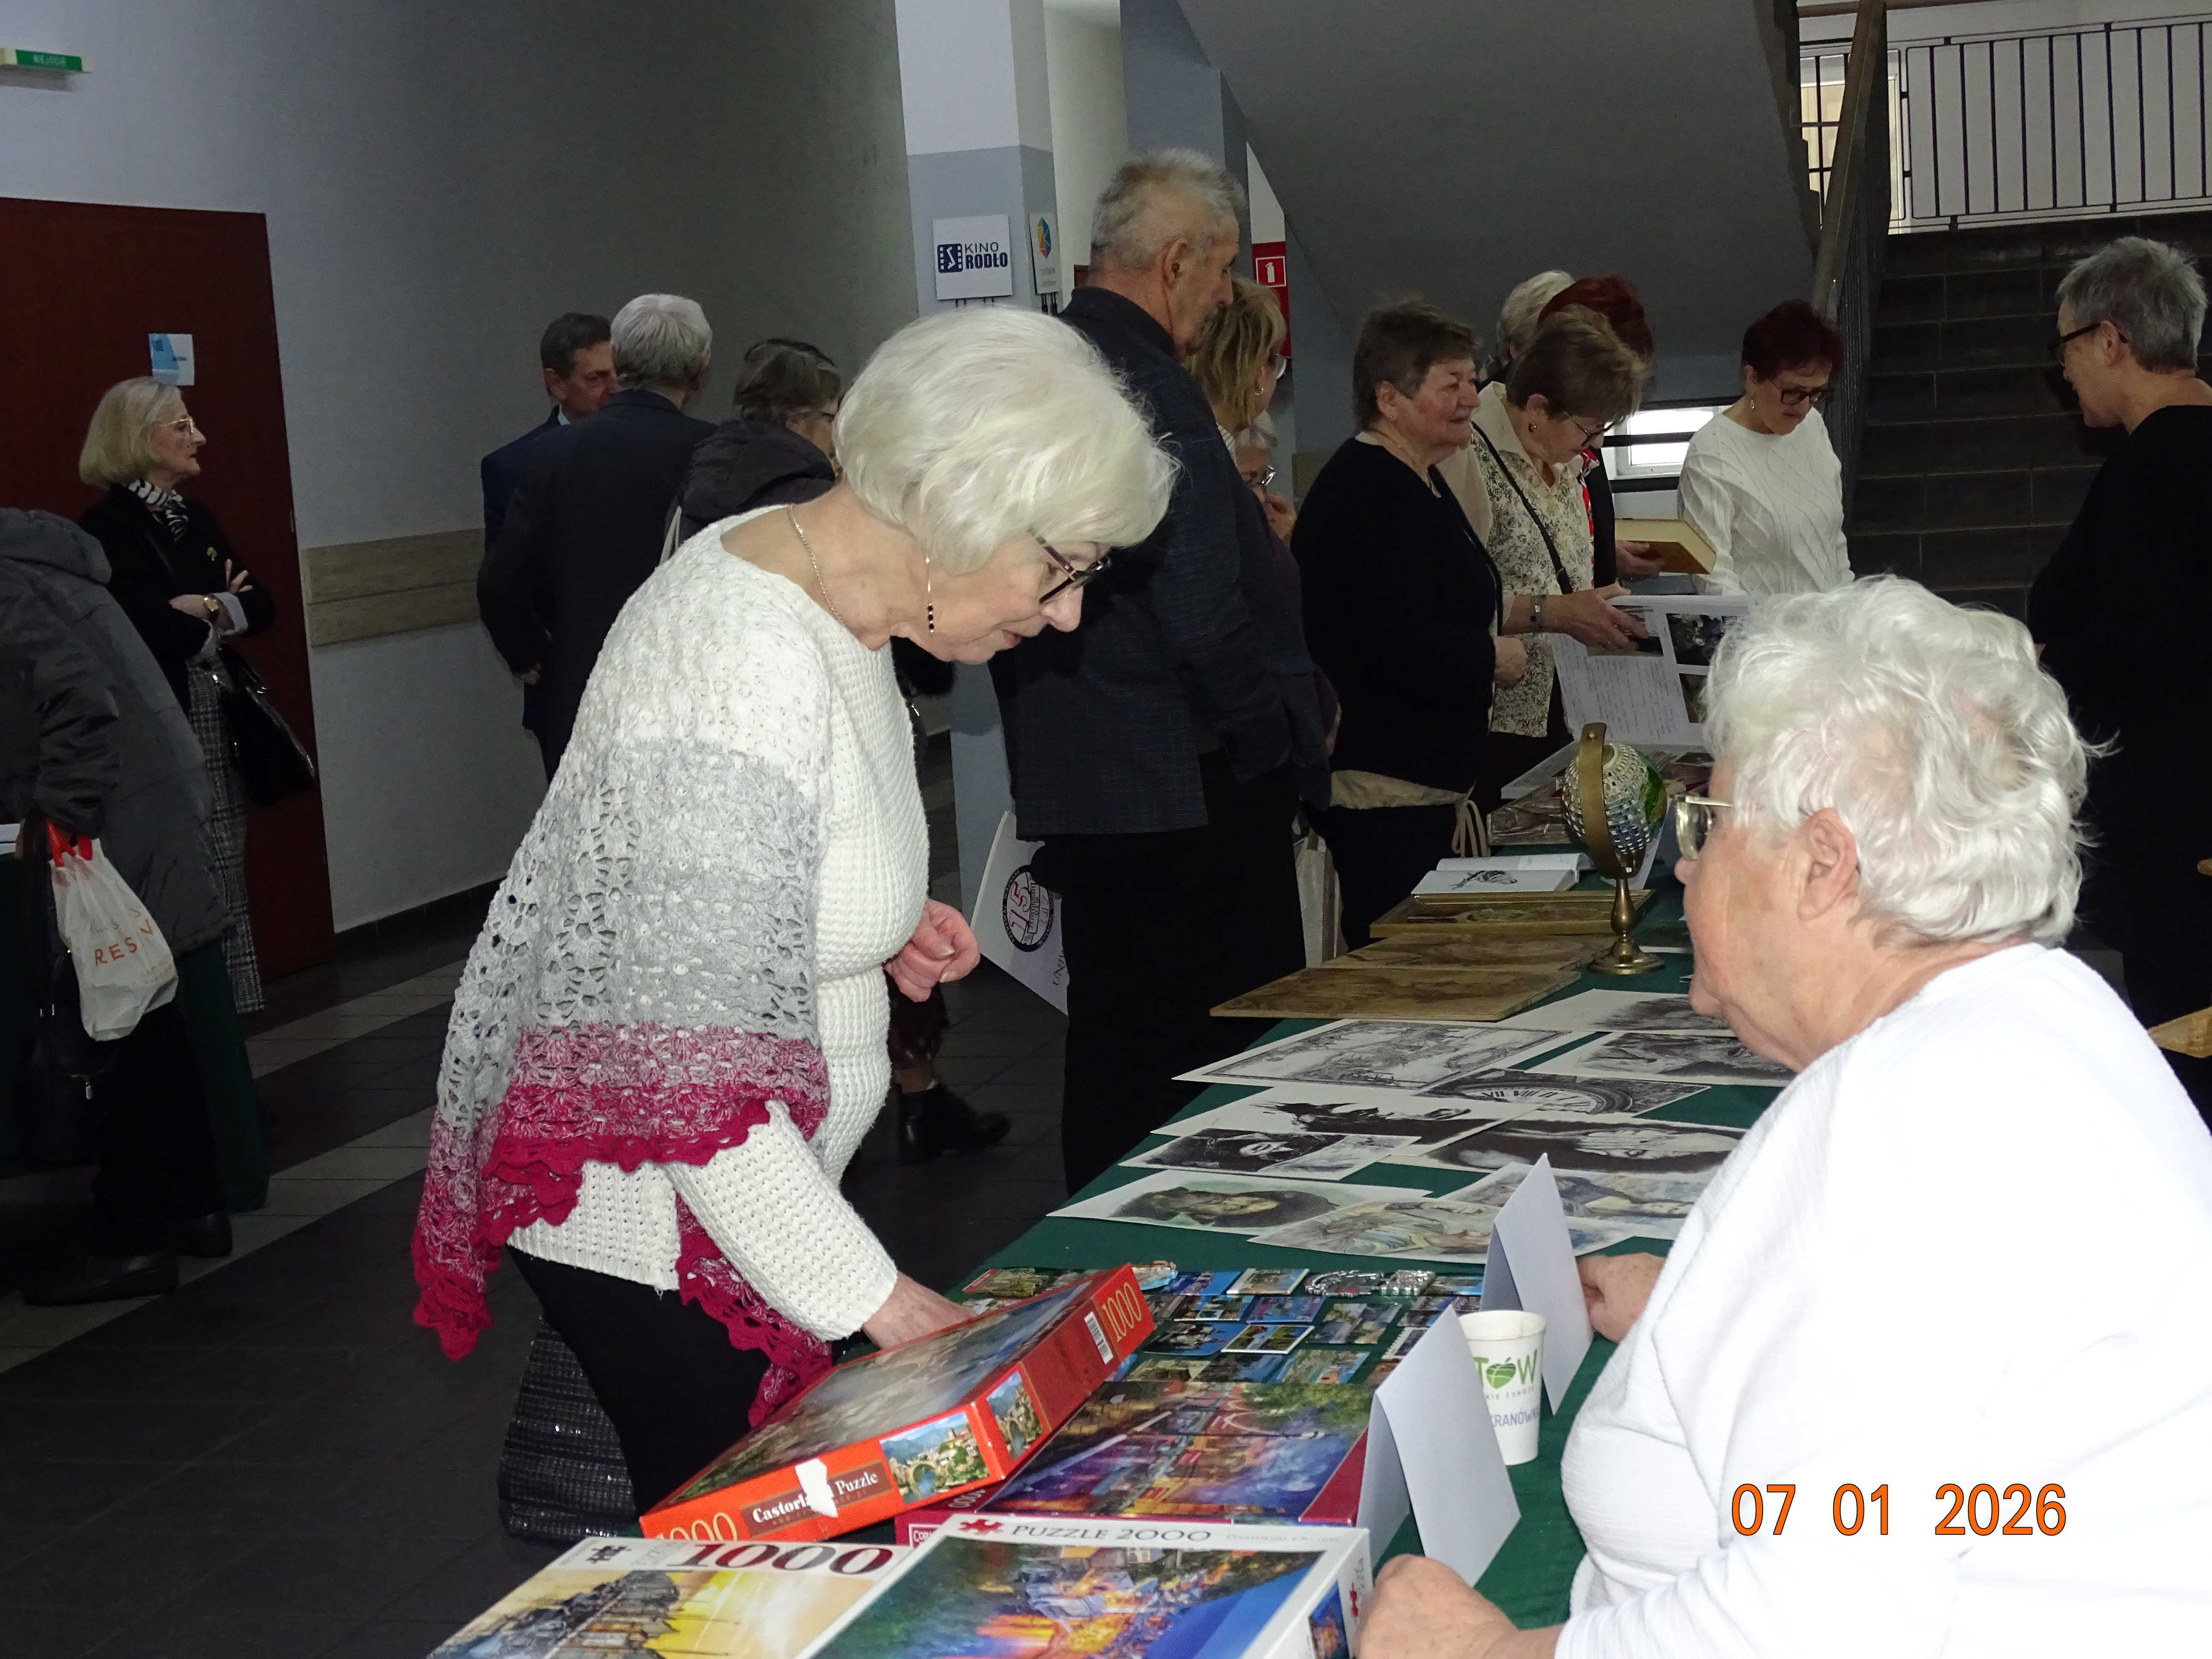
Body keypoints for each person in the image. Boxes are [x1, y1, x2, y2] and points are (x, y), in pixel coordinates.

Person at [412, 306, 1174, 1513]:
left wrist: (874, 924)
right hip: (663, 1219)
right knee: (737, 1556)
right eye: (1062, 568)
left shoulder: (836, 591)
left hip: (733, 1197)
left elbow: (741, 875)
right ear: (957, 507)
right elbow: (683, 1073)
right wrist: (877, 1300)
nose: (1070, 612)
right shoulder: (738, 654)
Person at [1361, 577, 2212, 1656]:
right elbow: (1941, 1349)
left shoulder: (1901, 1115)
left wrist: (1480, 1654)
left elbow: (1815, 1624)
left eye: (1709, 822)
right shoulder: (2039, 1009)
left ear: (1822, 864)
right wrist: (1711, 1313)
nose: (1684, 861)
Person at [991, 149, 1326, 1194]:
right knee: (1216, 1053)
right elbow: (1198, 607)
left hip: (1084, 776)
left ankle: (1103, 1239)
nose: (1223, 298)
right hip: (1188, 785)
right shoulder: (1151, 386)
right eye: (1219, 272)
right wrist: (1271, 739)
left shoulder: (1034, 366)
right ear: (1176, 262)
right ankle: (1213, 1236)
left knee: (1114, 1041)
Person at [674, 336, 1006, 1164]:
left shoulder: (699, 489)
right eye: (832, 416)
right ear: (801, 419)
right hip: (823, 766)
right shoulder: (809, 505)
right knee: (861, 937)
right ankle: (900, 1104)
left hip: (745, 787)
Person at [3, 509, 238, 1304]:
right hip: (147, 800)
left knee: (106, 1021)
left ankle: (130, 1236)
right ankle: (194, 1206)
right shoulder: (41, 561)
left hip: (111, 814)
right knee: (144, 1010)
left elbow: (77, 700)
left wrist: (58, 813)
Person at [2029, 235, 2212, 1120]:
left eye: (2064, 346)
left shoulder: (2154, 469)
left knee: (2189, 1066)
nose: (2062, 371)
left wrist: (2037, 665)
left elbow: (2139, 636)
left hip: (2181, 831)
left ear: (2111, 339)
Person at [1294, 301, 1515, 947]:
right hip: (1383, 795)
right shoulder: (1365, 490)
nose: (1472, 398)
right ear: (1388, 398)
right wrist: (1489, 658)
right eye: (1452, 384)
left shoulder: (1419, 476)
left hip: (1425, 789)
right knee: (1406, 971)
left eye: (1472, 380)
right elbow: (1385, 640)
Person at [77, 378, 278, 1015]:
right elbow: (148, 626)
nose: (200, 438)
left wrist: (208, 605)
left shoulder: (197, 519)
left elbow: (260, 604)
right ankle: (205, 1019)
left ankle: (237, 1015)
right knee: (193, 869)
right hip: (164, 717)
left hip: (216, 710)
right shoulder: (107, 531)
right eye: (183, 426)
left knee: (229, 862)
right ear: (140, 439)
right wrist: (216, 610)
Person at [478, 294, 716, 778]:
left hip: (582, 692)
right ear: (700, 371)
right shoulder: (716, 452)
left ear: (622, 362)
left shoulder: (550, 454)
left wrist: (532, 654)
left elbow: (499, 581)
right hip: (692, 692)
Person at [1455, 309, 1652, 807]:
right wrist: (1556, 612)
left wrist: (1599, 604)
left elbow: (1558, 569)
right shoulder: (1465, 453)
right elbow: (1446, 597)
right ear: (1538, 409)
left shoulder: (1561, 457)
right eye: (1590, 430)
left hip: (1568, 706)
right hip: (1495, 716)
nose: (1597, 444)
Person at [1678, 298, 1852, 596]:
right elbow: (1714, 582)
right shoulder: (1711, 454)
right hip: (1763, 625)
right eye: (1793, 392)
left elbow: (1834, 542)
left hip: (1831, 621)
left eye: (1817, 394)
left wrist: (1850, 607)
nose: (1804, 408)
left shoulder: (1812, 427)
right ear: (1753, 378)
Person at [1534, 276, 1665, 588]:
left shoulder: (1583, 418)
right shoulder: (1545, 419)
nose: (1598, 439)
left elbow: (1579, 524)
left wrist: (1605, 550)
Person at [480, 312, 617, 552]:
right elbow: (506, 569)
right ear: (557, 384)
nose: (615, 388)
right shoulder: (512, 468)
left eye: (621, 375)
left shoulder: (648, 448)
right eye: (596, 378)